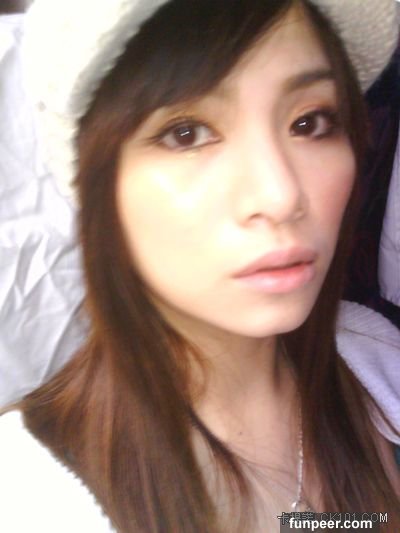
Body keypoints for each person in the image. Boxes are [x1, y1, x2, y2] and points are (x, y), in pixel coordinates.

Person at [0, 0, 399, 531]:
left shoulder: (378, 364)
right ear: (98, 185)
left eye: (310, 122)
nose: (281, 195)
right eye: (186, 133)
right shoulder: (27, 498)